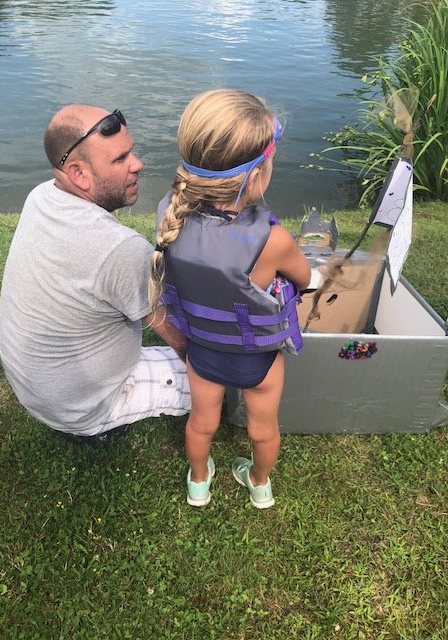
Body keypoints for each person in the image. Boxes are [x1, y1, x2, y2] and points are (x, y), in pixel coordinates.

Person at [149, 89, 311, 508]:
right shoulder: (272, 240)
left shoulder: (170, 215)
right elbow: (305, 277)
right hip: (257, 358)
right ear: (257, 174)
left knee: (201, 423)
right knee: (263, 428)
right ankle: (259, 484)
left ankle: (199, 483)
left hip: (203, 353)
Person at [0, 104, 191, 442]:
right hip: (79, 406)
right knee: (220, 378)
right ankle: (96, 427)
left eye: (131, 152)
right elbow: (177, 337)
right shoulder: (120, 248)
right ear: (79, 174)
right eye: (120, 159)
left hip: (34, 387)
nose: (138, 164)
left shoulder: (42, 195)